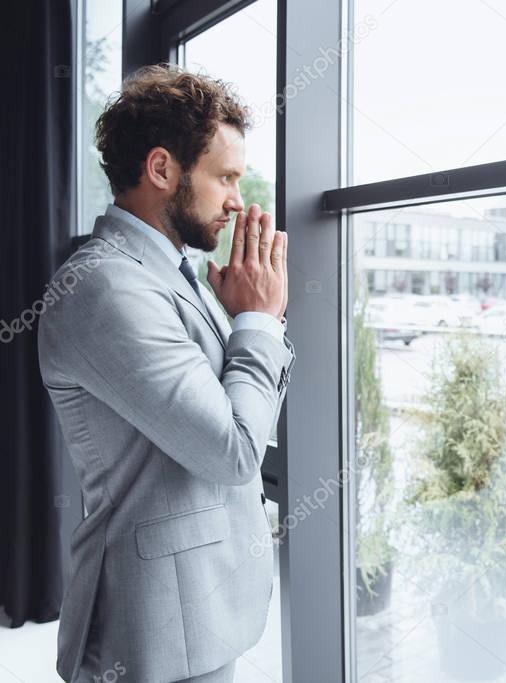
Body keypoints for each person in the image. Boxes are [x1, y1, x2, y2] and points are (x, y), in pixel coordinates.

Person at [37, 63, 293, 683]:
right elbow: (233, 450)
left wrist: (245, 315)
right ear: (161, 170)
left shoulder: (171, 270)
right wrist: (258, 321)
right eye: (225, 177)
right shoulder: (106, 289)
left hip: (199, 605)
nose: (237, 197)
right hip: (156, 629)